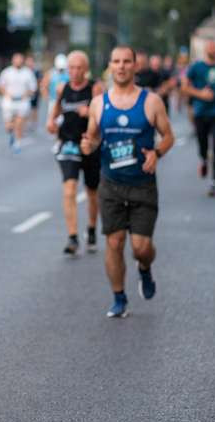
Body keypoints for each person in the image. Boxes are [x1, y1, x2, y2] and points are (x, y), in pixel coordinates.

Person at [81, 45, 174, 319]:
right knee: (114, 242)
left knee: (141, 249)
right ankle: (119, 297)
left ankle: (144, 268)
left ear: (135, 66)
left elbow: (169, 136)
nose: (121, 66)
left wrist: (156, 153)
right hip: (110, 182)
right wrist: (88, 146)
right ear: (110, 66)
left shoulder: (151, 101)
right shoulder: (99, 103)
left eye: (126, 62)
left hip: (143, 184)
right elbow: (93, 137)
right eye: (116, 62)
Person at [46, 51, 102, 255]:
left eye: (79, 68)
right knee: (69, 189)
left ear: (85, 69)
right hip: (68, 144)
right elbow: (55, 113)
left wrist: (91, 113)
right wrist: (51, 124)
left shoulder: (94, 88)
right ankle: (72, 237)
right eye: (72, 67)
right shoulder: (63, 88)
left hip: (89, 144)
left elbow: (103, 115)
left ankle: (92, 228)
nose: (75, 71)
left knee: (92, 191)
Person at [182, 41, 215, 197]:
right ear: (205, 50)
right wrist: (200, 94)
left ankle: (214, 182)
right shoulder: (196, 67)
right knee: (202, 144)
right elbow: (184, 87)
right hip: (200, 112)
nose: (212, 50)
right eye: (209, 47)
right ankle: (203, 160)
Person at [0, 53, 37, 153]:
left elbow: (33, 88)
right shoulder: (7, 72)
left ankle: (18, 144)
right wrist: (6, 94)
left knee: (19, 124)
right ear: (13, 60)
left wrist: (27, 94)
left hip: (22, 102)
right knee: (8, 127)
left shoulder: (28, 73)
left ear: (22, 61)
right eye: (16, 59)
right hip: (9, 102)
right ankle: (11, 133)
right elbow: (1, 85)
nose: (18, 61)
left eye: (20, 60)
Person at [42, 54, 69, 124]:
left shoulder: (68, 73)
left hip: (66, 101)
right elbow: (44, 85)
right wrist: (47, 96)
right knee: (54, 121)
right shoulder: (51, 73)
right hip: (53, 100)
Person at [26, 54, 42, 130]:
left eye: (31, 61)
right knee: (26, 108)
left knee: (34, 108)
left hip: (35, 92)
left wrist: (36, 90)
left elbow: (39, 81)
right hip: (26, 93)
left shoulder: (36, 71)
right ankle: (27, 122)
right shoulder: (24, 71)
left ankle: (34, 122)